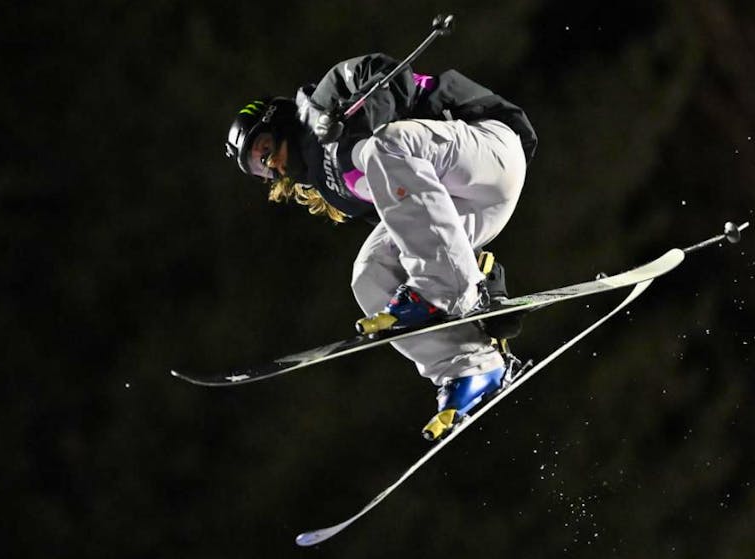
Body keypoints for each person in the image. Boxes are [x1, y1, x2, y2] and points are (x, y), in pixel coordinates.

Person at [225, 52, 537, 440]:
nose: (270, 165)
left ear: (280, 122)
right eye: (258, 168)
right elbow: (419, 221)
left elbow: (388, 71)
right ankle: (473, 368)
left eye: (264, 149)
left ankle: (445, 290)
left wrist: (356, 122)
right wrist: (488, 288)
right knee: (371, 272)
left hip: (490, 146)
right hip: (473, 203)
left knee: (385, 144)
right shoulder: (338, 190)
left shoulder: (325, 97)